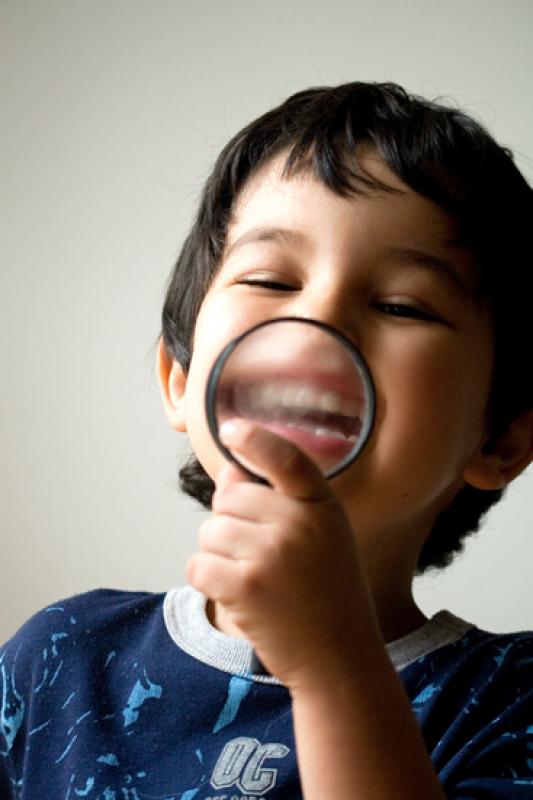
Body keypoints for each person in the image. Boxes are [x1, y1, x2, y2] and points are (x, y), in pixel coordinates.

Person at [2, 82, 533, 800]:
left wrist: (333, 668)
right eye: (269, 279)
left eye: (401, 304)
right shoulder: (61, 656)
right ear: (179, 380)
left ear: (500, 437)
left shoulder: (505, 706)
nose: (319, 318)